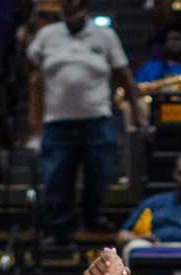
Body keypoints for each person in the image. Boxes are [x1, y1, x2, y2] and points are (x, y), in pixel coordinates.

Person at [27, 0, 138, 249]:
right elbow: (33, 77)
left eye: (74, 11)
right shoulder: (47, 35)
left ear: (86, 11)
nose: (70, 16)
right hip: (57, 121)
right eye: (66, 12)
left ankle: (92, 219)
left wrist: (138, 113)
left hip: (96, 119)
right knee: (56, 177)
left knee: (99, 173)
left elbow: (124, 75)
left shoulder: (105, 36)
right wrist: (35, 128)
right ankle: (59, 230)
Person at [136, 24, 181, 95]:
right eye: (171, 39)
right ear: (164, 43)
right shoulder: (149, 68)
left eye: (179, 39)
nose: (175, 43)